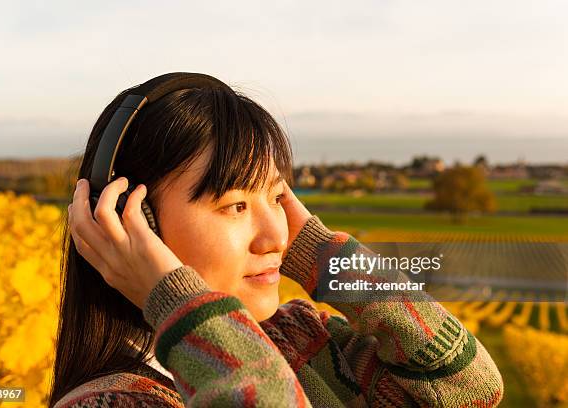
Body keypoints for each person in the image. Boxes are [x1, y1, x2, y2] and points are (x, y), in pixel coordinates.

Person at [49, 73, 504, 407]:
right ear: (134, 224)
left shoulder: (300, 339)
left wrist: (318, 251)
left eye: (277, 197)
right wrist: (176, 302)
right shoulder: (111, 401)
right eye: (236, 206)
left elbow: (470, 388)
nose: (275, 237)